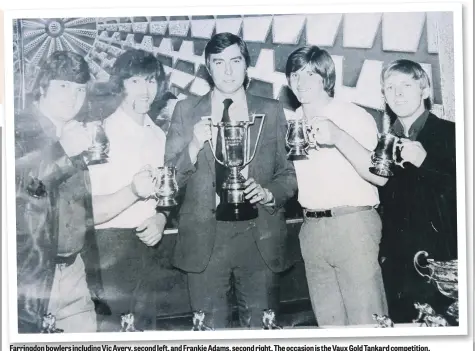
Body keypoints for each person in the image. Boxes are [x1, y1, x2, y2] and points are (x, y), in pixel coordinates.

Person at [15, 51, 159, 333]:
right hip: (30, 278)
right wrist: (63, 152)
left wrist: (133, 191)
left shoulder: (75, 135)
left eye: (79, 88)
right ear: (42, 86)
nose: (73, 96)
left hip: (74, 271)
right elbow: (19, 194)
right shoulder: (17, 131)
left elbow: (85, 213)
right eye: (63, 85)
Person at [165, 32, 297, 329]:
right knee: (210, 333)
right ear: (207, 68)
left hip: (259, 236)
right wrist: (193, 145)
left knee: (263, 332)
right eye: (219, 62)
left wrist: (268, 193)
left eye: (235, 61)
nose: (227, 70)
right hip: (204, 241)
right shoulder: (185, 112)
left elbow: (288, 175)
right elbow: (170, 178)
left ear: (246, 66)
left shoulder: (271, 110)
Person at [284, 45, 388, 326]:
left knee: (367, 322)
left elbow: (379, 176)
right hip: (311, 229)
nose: (301, 82)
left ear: (326, 77)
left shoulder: (353, 115)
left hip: (352, 224)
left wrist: (338, 137)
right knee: (329, 327)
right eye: (295, 74)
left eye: (310, 74)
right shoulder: (291, 121)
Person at [87, 49, 169, 331]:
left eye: (151, 81)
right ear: (120, 85)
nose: (146, 91)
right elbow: (90, 210)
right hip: (108, 250)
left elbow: (165, 198)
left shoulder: (159, 136)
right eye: (135, 81)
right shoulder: (99, 134)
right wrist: (133, 191)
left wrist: (161, 218)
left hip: (150, 248)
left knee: (148, 334)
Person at [376, 59, 457, 322]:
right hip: (398, 269)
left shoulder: (451, 134)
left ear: (424, 90)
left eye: (406, 85)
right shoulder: (386, 143)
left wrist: (426, 164)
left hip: (440, 267)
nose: (397, 93)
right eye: (390, 87)